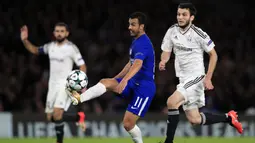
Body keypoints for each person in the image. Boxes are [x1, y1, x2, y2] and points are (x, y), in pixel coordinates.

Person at [158, 3, 243, 143]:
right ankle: (229, 117)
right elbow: (166, 50)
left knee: (171, 102)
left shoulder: (198, 34)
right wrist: (163, 61)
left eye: (184, 14)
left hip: (196, 77)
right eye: (178, 14)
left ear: (191, 17)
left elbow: (214, 55)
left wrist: (208, 78)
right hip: (183, 78)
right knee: (194, 119)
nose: (180, 17)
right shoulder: (172, 31)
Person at [67, 12, 155, 143]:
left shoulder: (143, 43)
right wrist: (116, 79)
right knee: (106, 82)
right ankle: (79, 98)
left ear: (142, 27)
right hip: (133, 82)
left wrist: (124, 81)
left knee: (128, 124)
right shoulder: (136, 41)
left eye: (133, 24)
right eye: (129, 24)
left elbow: (138, 64)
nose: (129, 27)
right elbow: (130, 63)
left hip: (144, 88)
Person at [20, 22, 86, 143]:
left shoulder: (71, 48)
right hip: (52, 85)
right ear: (54, 33)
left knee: (57, 113)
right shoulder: (50, 47)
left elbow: (82, 65)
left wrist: (81, 83)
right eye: (57, 31)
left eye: (62, 31)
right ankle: (78, 117)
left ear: (67, 33)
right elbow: (35, 50)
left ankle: (59, 141)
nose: (59, 33)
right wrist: (25, 40)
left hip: (65, 85)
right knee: (50, 117)